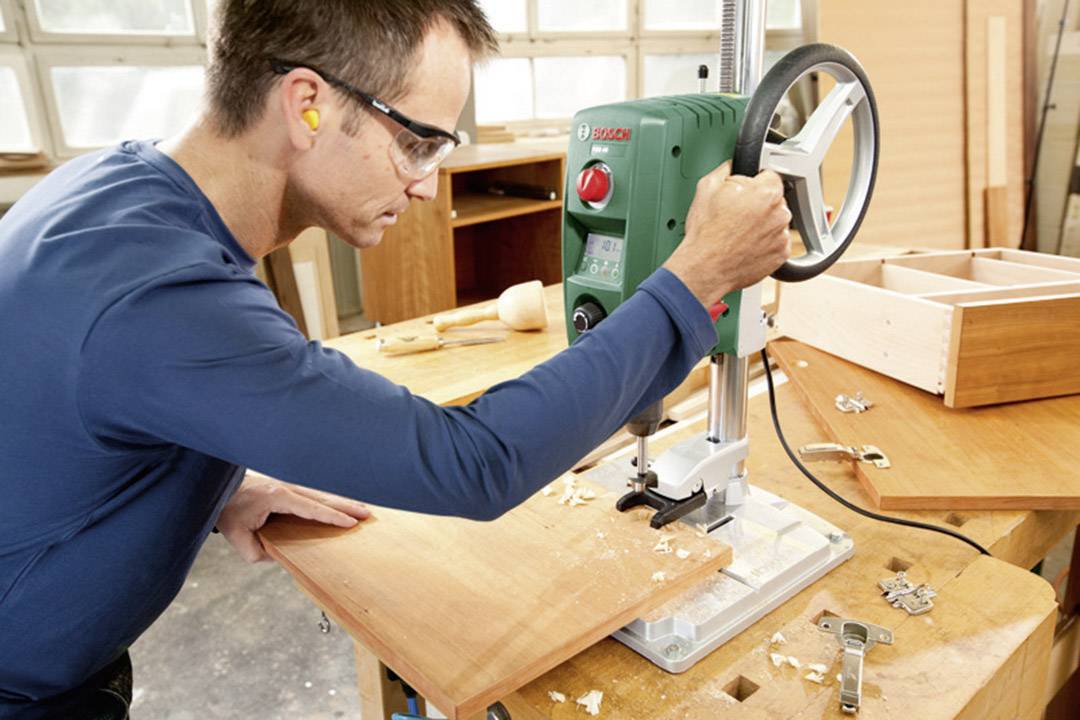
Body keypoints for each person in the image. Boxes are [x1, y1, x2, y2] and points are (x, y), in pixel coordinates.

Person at [0, 1, 791, 717]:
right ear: (306, 104)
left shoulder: (117, 193)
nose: (424, 185)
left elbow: (69, 417)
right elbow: (473, 462)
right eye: (416, 143)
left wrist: (209, 484)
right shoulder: (159, 295)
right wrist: (697, 278)